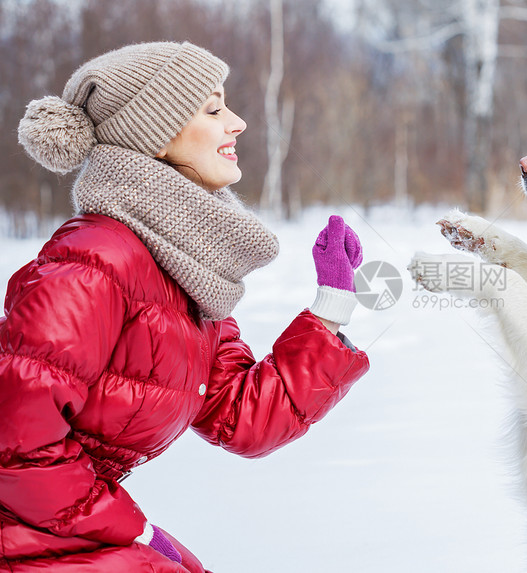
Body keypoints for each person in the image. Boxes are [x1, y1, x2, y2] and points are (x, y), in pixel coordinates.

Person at [0, 41, 369, 572]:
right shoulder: (94, 261)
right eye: (213, 108)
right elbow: (15, 438)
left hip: (56, 524)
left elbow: (242, 415)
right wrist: (131, 530)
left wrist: (330, 308)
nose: (237, 122)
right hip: (27, 532)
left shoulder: (183, 273)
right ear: (154, 135)